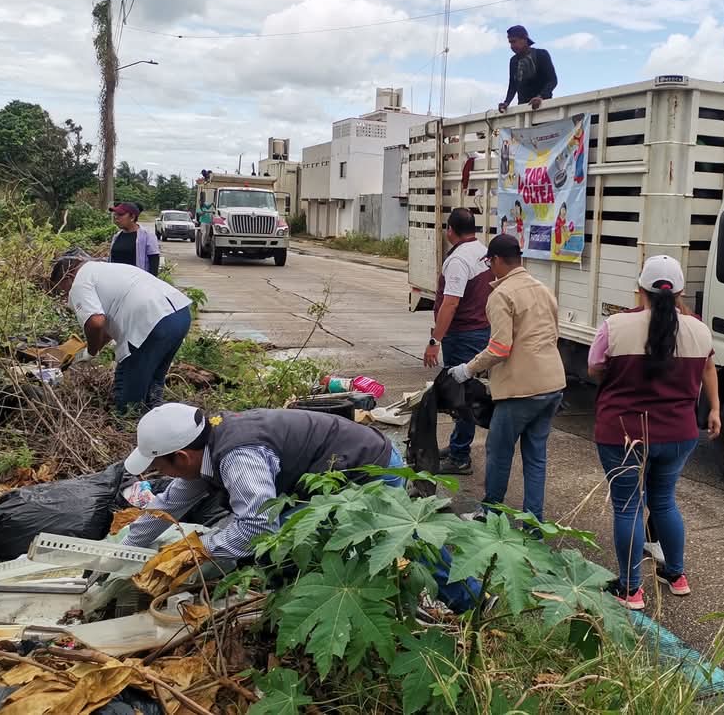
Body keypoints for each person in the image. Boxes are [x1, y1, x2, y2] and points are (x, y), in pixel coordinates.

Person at [120, 403, 483, 613]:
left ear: (180, 457)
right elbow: (171, 503)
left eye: (159, 467)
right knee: (279, 534)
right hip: (335, 470)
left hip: (368, 469)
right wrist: (123, 550)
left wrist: (194, 553)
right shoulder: (206, 445)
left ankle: (471, 598)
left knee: (295, 536)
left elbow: (257, 526)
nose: (161, 475)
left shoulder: (237, 456)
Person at [588, 255, 720, 608]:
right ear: (679, 293)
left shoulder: (615, 326)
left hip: (623, 433)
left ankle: (632, 589)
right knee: (664, 501)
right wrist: (716, 409)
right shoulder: (698, 329)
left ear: (640, 289)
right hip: (678, 433)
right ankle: (676, 575)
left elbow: (595, 368)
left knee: (628, 506)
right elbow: (708, 367)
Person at [450, 234, 566, 526]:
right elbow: (554, 334)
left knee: (499, 452)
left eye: (490, 263)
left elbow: (500, 347)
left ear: (497, 260)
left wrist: (468, 369)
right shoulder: (543, 288)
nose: (490, 268)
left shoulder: (501, 295)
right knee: (535, 458)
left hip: (521, 391)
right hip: (552, 385)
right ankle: (533, 525)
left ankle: (490, 515)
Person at [51, 256, 192, 414]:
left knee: (128, 392)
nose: (66, 296)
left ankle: (129, 430)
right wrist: (93, 349)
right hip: (180, 314)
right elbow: (107, 327)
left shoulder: (80, 281)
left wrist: (90, 352)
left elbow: (96, 322)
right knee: (153, 383)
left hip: (151, 321)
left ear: (68, 277)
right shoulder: (106, 269)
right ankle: (157, 421)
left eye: (64, 290)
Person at [424, 209, 492, 475]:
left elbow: (450, 303)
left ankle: (461, 455)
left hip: (463, 335)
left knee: (462, 396)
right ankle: (456, 447)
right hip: (478, 331)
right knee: (464, 391)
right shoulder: (481, 251)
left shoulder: (459, 259)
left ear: (450, 230)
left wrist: (434, 340)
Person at [498, 25, 557, 113]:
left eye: (514, 41)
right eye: (510, 43)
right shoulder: (513, 61)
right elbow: (513, 85)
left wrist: (541, 97)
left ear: (524, 39)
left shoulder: (541, 54)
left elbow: (552, 80)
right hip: (523, 109)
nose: (512, 46)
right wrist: (506, 102)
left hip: (543, 107)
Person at [109, 202, 161, 276]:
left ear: (132, 217)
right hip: (117, 282)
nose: (116, 217)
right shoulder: (117, 236)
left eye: (120, 215)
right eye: (115, 215)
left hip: (137, 283)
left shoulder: (147, 236)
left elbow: (154, 264)